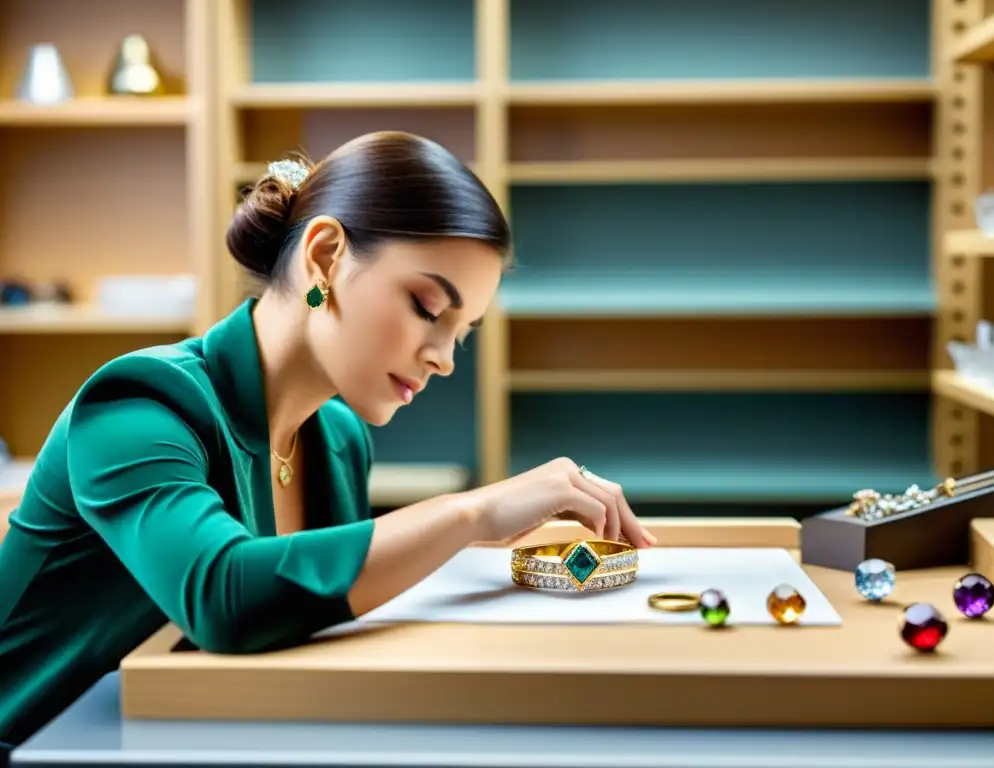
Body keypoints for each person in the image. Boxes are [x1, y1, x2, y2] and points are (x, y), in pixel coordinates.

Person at [0, 131, 656, 749]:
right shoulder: (140, 409)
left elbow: (312, 635)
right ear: (324, 257)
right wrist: (474, 512)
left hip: (183, 741)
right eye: (429, 308)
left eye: (462, 331)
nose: (444, 359)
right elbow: (223, 598)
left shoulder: (339, 441)